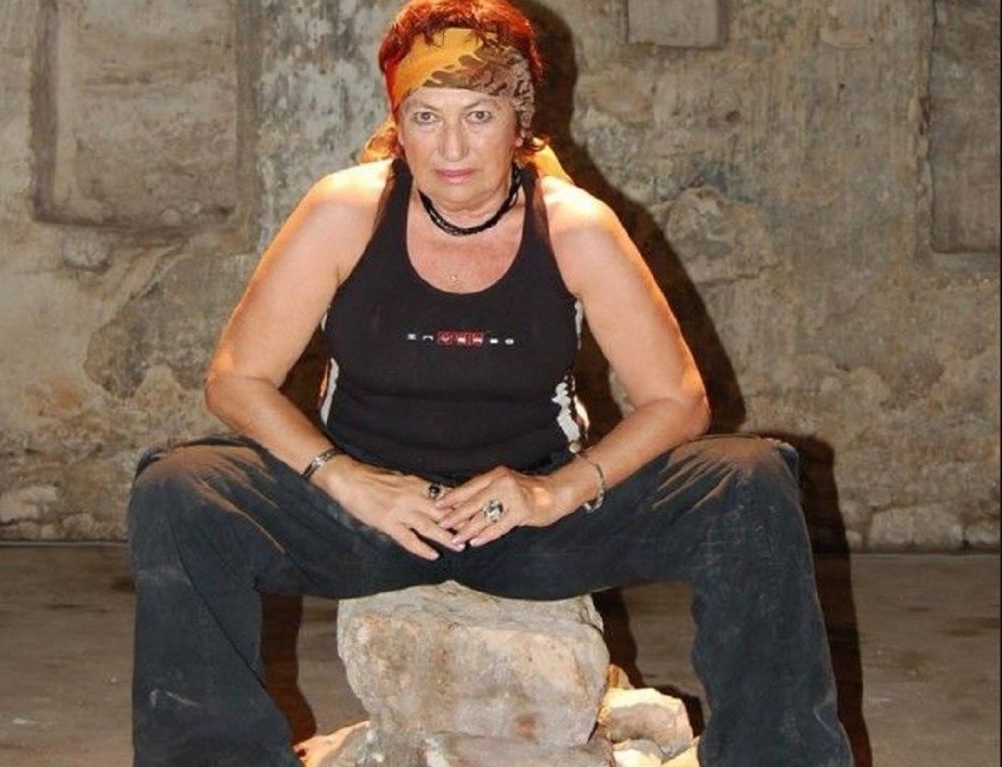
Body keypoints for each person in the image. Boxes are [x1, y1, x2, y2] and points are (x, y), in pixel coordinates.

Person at [126, 1, 854, 765]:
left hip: (530, 523)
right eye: (426, 116)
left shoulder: (573, 225)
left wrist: (554, 492)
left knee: (749, 479)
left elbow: (678, 399)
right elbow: (236, 379)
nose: (451, 147)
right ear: (398, 123)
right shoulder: (346, 211)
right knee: (180, 490)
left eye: (478, 115)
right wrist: (349, 480)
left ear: (519, 121)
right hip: (370, 518)